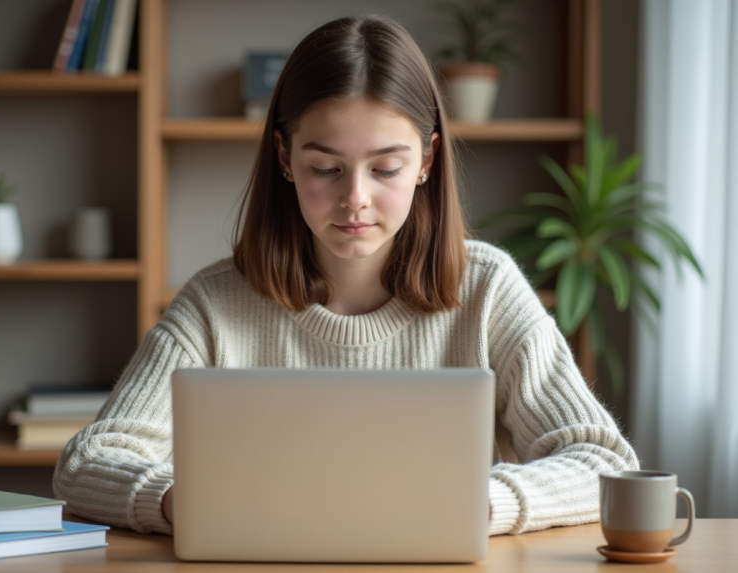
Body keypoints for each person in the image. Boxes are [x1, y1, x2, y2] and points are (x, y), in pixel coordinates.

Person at [53, 14, 638, 537]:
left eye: (385, 168)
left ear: (427, 161)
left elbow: (604, 461)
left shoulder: (487, 289)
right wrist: (184, 502)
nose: (355, 197)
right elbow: (86, 464)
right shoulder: (215, 303)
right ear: (285, 158)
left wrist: (484, 503)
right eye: (326, 168)